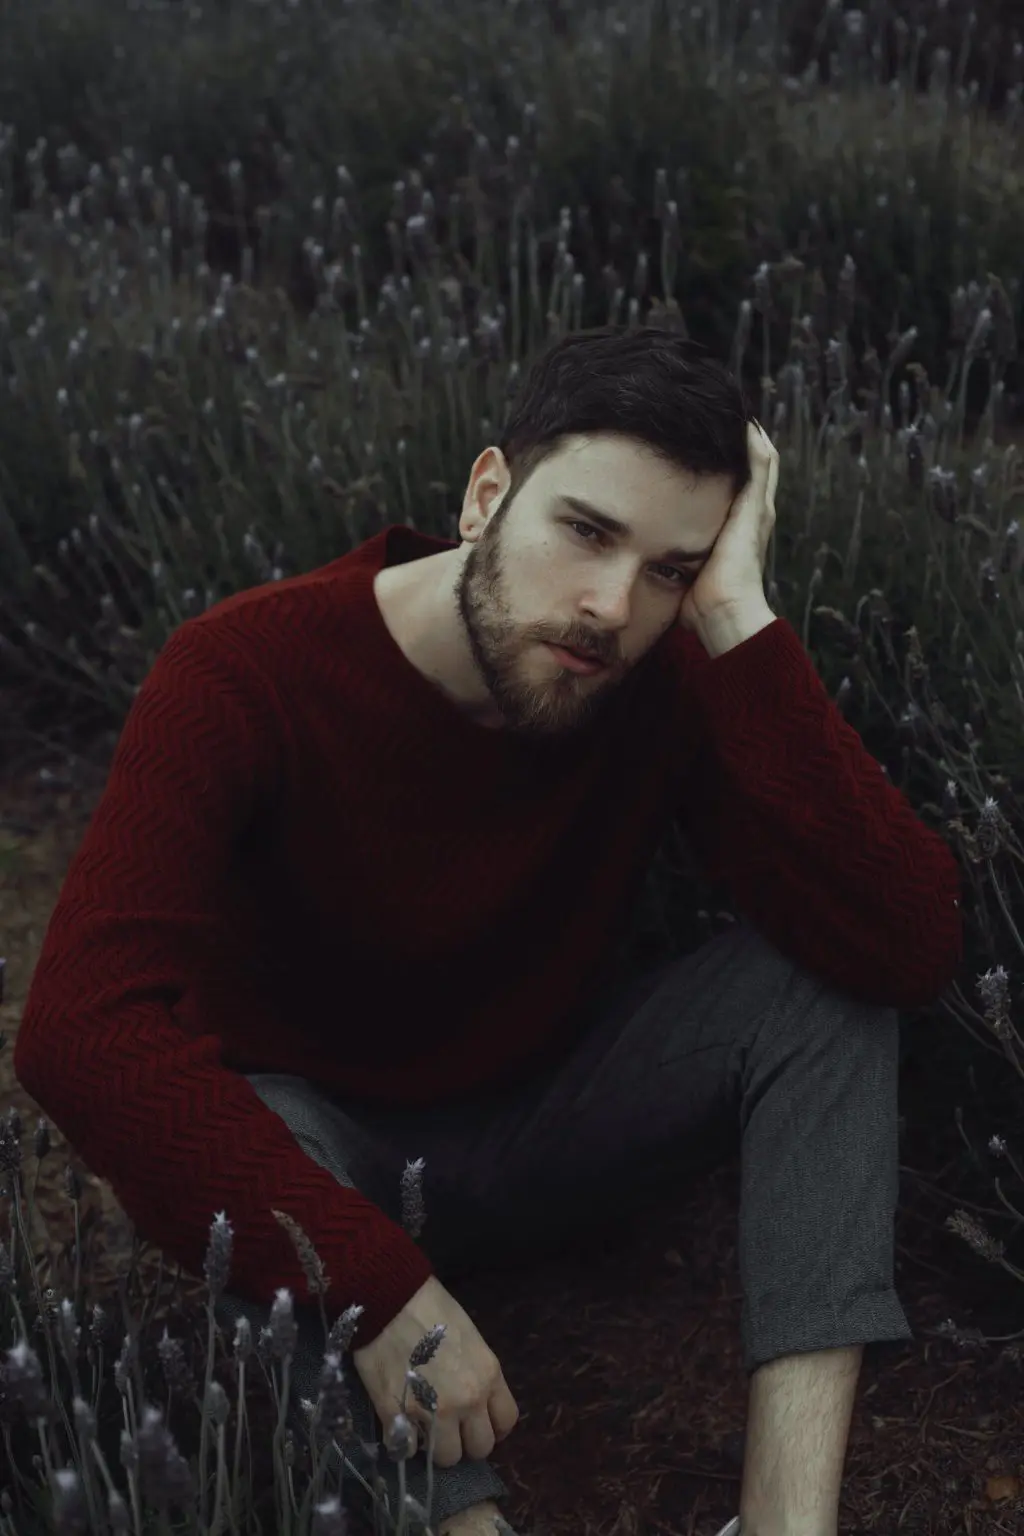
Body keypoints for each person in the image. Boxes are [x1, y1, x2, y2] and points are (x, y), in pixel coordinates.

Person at [16, 325, 962, 1536]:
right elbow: (75, 1030)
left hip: (546, 1121)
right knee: (263, 1147)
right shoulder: (242, 671)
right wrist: (376, 1282)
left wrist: (737, 622)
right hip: (326, 1148)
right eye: (586, 530)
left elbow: (906, 944)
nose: (612, 606)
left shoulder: (647, 672)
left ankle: (787, 1522)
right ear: (486, 494)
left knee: (823, 994)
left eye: (669, 568)